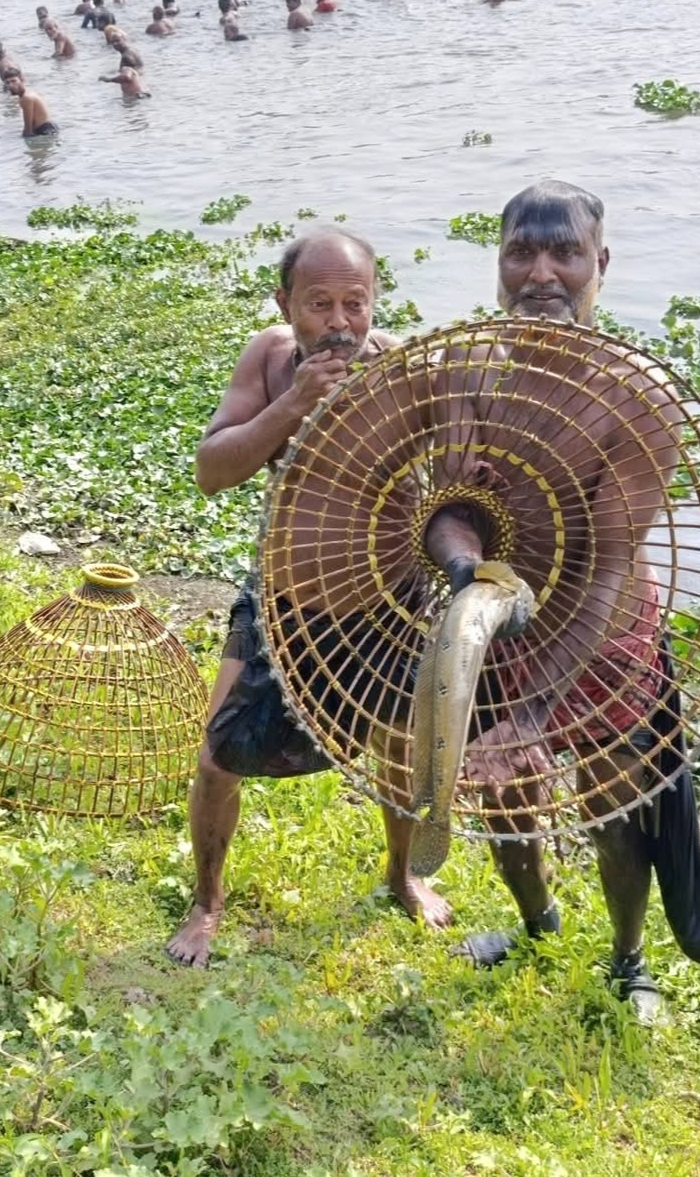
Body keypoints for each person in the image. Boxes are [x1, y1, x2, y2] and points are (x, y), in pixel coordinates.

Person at [421, 179, 700, 1024]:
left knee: (613, 795)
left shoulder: (635, 394)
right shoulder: (468, 363)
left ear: (601, 265)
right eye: (522, 251)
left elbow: (610, 563)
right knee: (499, 785)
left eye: (565, 254)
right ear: (499, 262)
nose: (541, 273)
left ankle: (628, 960)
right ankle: (537, 922)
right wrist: (464, 568)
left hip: (603, 624)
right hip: (492, 616)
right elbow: (446, 507)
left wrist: (540, 710)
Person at [165, 229, 440, 969]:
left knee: (397, 754)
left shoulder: (403, 368)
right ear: (286, 305)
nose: (340, 323)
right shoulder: (268, 358)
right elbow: (212, 470)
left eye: (356, 303)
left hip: (387, 603)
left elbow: (457, 477)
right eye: (319, 304)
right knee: (218, 757)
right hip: (285, 600)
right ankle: (207, 900)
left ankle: (401, 876)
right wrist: (293, 407)